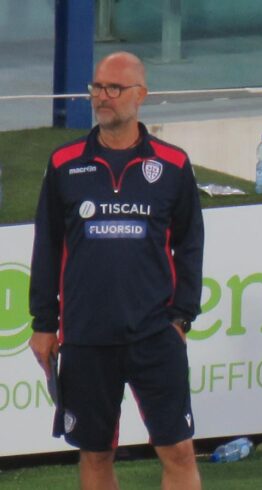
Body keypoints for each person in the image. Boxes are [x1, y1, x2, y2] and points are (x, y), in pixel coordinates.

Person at [28, 51, 204, 490]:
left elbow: (190, 244)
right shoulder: (64, 164)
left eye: (114, 88)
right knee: (96, 453)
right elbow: (47, 247)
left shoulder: (173, 165)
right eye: (97, 87)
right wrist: (44, 325)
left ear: (141, 96)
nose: (102, 97)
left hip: (154, 335)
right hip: (86, 336)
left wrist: (181, 317)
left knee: (178, 450)